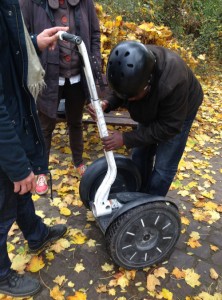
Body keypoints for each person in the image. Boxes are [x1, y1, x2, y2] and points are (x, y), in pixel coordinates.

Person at [0, 1, 69, 297]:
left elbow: (6, 54)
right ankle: (2, 275)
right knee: (3, 206)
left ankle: (36, 235)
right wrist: (16, 164)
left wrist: (33, 43)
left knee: (20, 191)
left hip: (13, 116)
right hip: (4, 127)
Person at [88, 41, 203, 197]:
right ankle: (137, 193)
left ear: (148, 84)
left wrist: (125, 138)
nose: (129, 100)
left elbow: (169, 127)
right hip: (150, 105)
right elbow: (121, 92)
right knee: (140, 154)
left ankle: (150, 204)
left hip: (179, 112)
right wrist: (106, 104)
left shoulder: (174, 81)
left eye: (132, 97)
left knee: (163, 167)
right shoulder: (134, 64)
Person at [19, 0, 103, 195]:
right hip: (47, 77)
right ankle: (41, 170)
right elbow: (22, 38)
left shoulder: (84, 2)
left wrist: (93, 61)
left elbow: (95, 34)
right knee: (45, 126)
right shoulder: (32, 3)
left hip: (77, 76)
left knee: (75, 122)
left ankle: (79, 161)